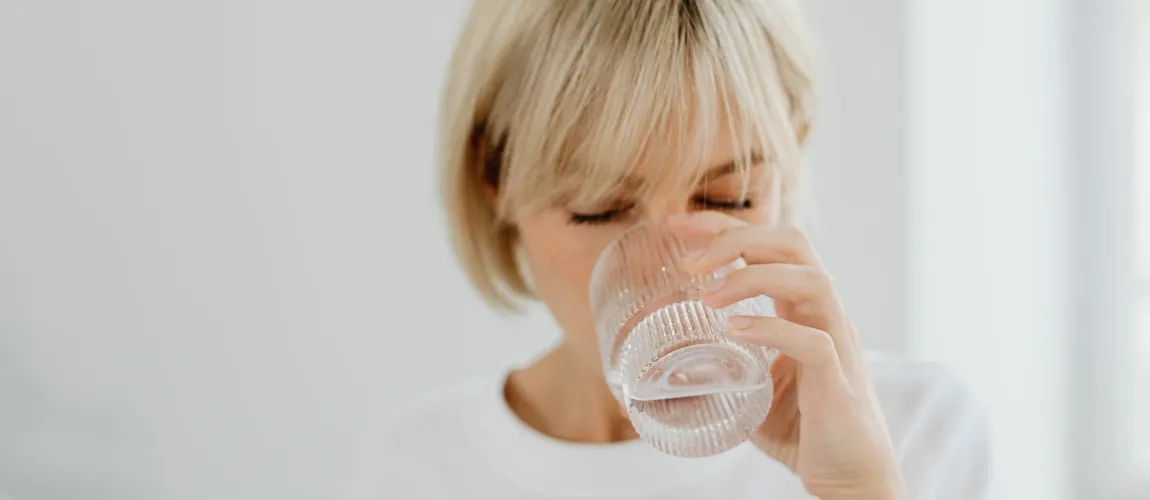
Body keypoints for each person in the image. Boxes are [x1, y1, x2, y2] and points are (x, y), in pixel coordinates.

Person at [350, 1, 997, 499]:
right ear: (495, 181)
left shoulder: (915, 429)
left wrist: (859, 491)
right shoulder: (419, 465)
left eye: (727, 197)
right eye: (600, 207)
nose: (684, 267)